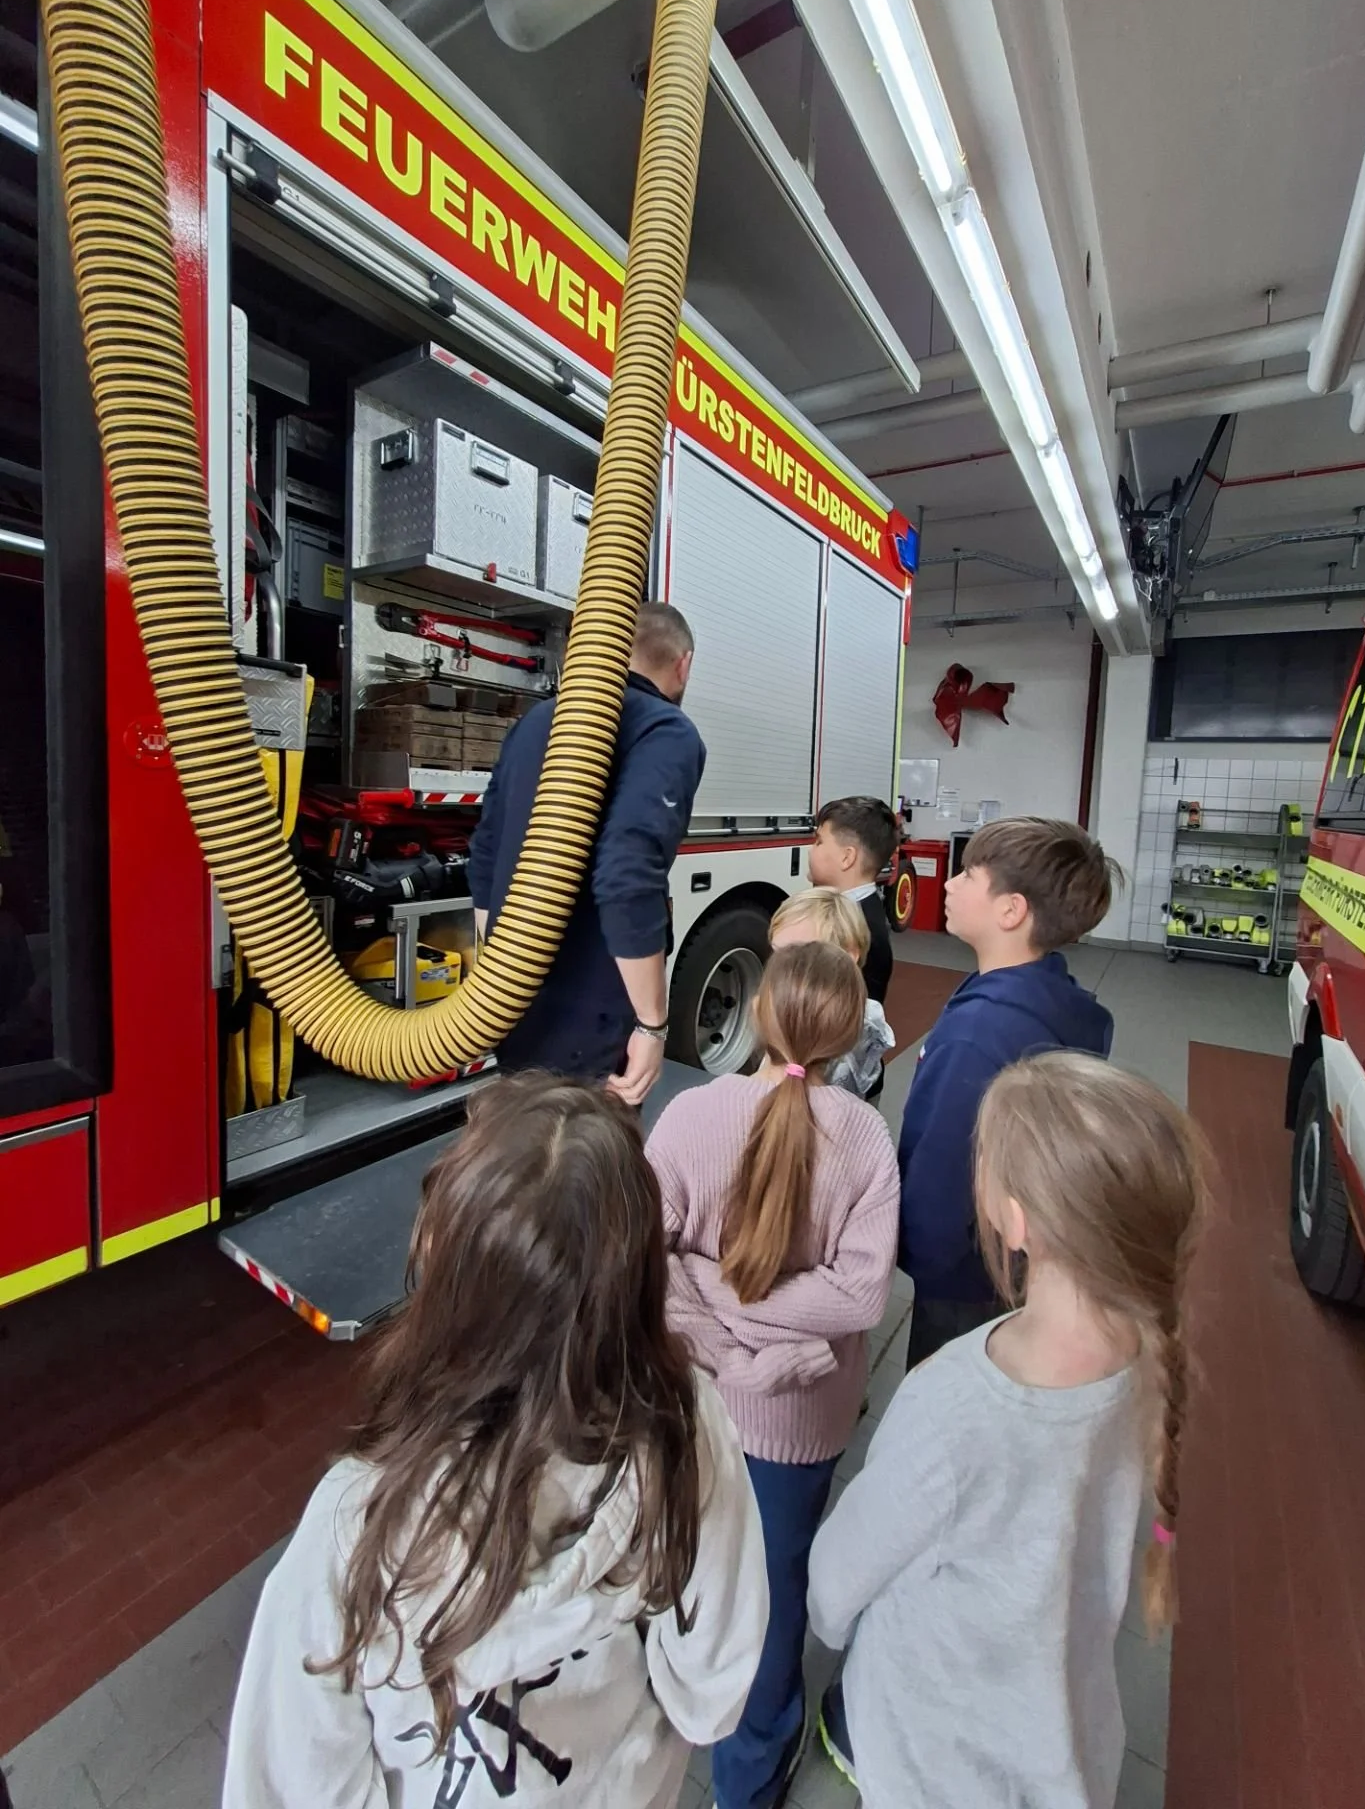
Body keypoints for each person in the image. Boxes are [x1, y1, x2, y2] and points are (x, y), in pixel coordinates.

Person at [223, 1077, 769, 1809]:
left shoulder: (356, 1522)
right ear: (639, 1280)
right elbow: (710, 1694)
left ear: (450, 1276)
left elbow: (288, 1784)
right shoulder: (686, 1423)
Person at [808, 1051, 1210, 1809]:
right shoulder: (1152, 1361)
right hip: (1068, 1749)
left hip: (938, 1764)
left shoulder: (954, 1405)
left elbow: (836, 1583)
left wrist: (827, 1627)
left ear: (1017, 1220)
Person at [647, 944, 900, 1809]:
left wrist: (725, 1326)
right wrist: (765, 1345)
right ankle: (747, 1779)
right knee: (775, 1595)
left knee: (683, 1564)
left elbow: (652, 1258)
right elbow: (860, 1294)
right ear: (847, 1033)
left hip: (693, 1406)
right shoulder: (864, 1137)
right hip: (799, 1426)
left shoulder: (689, 1115)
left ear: (757, 1014)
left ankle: (669, 1705)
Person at [899, 817, 1119, 1371]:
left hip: (965, 1276)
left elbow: (943, 1173)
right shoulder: (1060, 998)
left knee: (949, 1392)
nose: (947, 883)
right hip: (1024, 1257)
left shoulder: (979, 1037)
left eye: (968, 874)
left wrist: (913, 1254)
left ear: (1011, 910)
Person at [469, 603, 705, 1104]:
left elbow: (485, 850)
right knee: (587, 1171)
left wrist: (500, 973)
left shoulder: (536, 720)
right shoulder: (664, 730)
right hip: (591, 1021)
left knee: (522, 1157)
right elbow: (627, 870)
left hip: (518, 1004)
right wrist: (652, 1025)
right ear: (682, 664)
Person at [769, 888, 893, 1100]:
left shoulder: (854, 1025)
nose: (781, 971)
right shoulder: (786, 1005)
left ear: (848, 955)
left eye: (801, 957)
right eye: (776, 955)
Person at [806, 797, 900, 1009]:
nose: (811, 849)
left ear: (847, 857)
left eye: (819, 841)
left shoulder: (856, 929)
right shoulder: (863, 911)